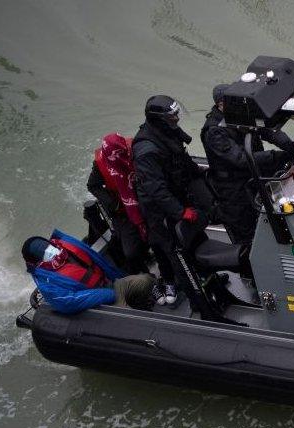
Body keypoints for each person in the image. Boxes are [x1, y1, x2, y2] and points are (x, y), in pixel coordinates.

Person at [133, 95, 213, 306]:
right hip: (160, 211)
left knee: (195, 237)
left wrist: (202, 178)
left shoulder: (167, 134)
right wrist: (179, 212)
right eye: (172, 116)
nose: (177, 118)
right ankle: (196, 297)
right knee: (176, 252)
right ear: (160, 119)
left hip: (177, 197)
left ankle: (206, 276)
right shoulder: (146, 150)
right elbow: (155, 189)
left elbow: (182, 159)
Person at [201, 84, 294, 245]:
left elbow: (266, 129)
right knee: (246, 233)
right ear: (221, 105)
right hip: (233, 188)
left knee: (271, 215)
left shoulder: (240, 113)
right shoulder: (214, 131)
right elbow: (240, 158)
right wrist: (274, 157)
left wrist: (287, 144)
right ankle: (249, 266)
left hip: (254, 176)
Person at [22, 230, 155, 314]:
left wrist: (119, 278)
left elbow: (98, 261)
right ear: (38, 261)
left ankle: (137, 301)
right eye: (44, 252)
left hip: (111, 285)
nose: (50, 251)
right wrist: (107, 295)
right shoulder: (47, 282)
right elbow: (69, 302)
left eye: (48, 246)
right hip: (100, 303)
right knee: (133, 317)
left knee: (146, 280)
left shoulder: (65, 246)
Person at [87, 132, 150, 274]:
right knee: (131, 253)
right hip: (122, 211)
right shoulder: (100, 164)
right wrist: (112, 203)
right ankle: (146, 275)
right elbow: (92, 185)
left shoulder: (134, 148)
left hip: (145, 201)